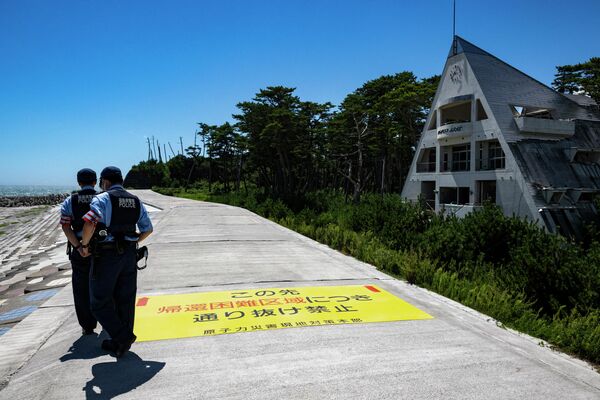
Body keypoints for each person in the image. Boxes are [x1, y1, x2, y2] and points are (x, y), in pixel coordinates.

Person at [80, 166, 153, 357]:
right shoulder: (136, 201)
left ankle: (123, 337)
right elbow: (148, 229)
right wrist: (132, 242)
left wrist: (84, 245)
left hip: (107, 256)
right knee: (126, 300)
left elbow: (90, 222)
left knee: (99, 302)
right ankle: (121, 345)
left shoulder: (103, 198)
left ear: (105, 182)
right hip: (129, 255)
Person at [59, 168, 98, 335]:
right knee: (107, 284)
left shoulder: (70, 201)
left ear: (79, 182)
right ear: (95, 182)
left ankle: (87, 325)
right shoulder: (103, 198)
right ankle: (109, 320)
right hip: (103, 247)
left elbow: (66, 226)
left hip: (80, 248)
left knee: (81, 288)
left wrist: (78, 246)